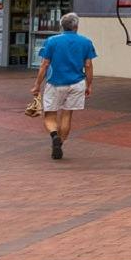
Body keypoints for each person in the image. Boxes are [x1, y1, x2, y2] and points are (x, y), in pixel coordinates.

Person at [31, 12, 96, 161]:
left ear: (62, 26)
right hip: (77, 83)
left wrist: (37, 85)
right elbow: (88, 65)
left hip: (55, 83)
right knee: (67, 115)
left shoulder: (52, 41)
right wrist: (89, 84)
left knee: (49, 115)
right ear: (76, 26)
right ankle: (60, 143)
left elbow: (44, 64)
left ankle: (54, 136)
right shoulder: (86, 42)